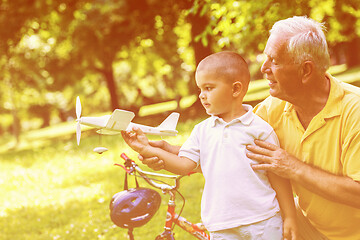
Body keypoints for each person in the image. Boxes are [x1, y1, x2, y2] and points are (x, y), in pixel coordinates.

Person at [138, 16, 360, 240]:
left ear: (306, 71)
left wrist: (292, 167)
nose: (264, 68)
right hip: (305, 225)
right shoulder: (272, 111)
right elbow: (230, 149)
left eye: (274, 61)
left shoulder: (355, 111)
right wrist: (168, 151)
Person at [122, 51, 298, 240]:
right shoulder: (202, 130)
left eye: (208, 88)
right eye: (200, 89)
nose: (202, 96)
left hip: (263, 221)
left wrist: (289, 217)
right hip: (221, 226)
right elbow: (184, 164)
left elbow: (278, 177)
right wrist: (145, 148)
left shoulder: (260, 130)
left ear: (236, 89)